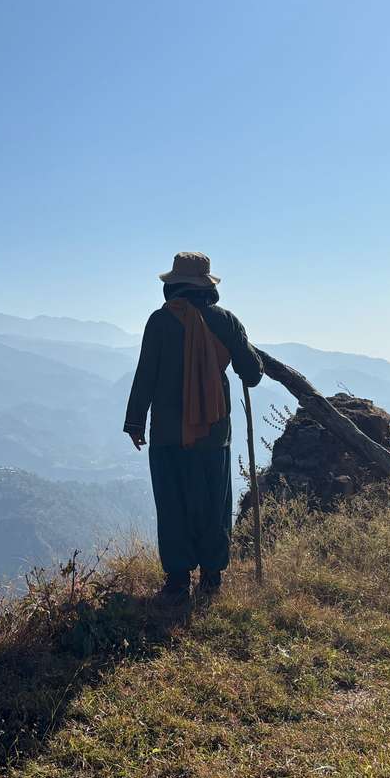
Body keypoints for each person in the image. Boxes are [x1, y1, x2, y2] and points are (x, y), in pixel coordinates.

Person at [124, 252, 262, 600]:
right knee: (213, 503)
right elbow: (252, 373)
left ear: (174, 285)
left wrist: (135, 421)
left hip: (168, 432)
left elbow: (145, 375)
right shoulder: (226, 322)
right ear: (206, 286)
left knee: (172, 503)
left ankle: (177, 580)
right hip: (214, 433)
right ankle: (212, 577)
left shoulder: (159, 321)